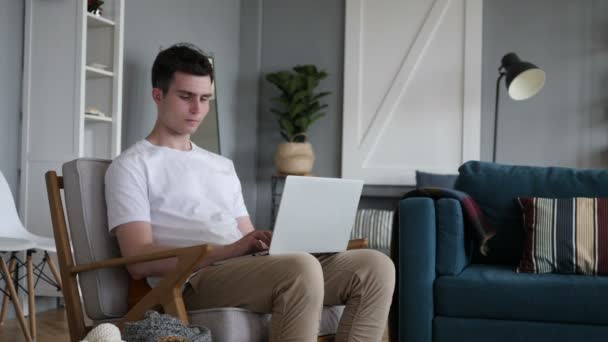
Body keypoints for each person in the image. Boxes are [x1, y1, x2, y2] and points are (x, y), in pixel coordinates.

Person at [105, 43, 395, 342]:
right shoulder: (132, 165)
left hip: (245, 269)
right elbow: (138, 260)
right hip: (193, 280)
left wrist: (271, 242)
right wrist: (231, 250)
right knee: (299, 269)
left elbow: (246, 234)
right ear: (158, 95)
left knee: (375, 267)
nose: (198, 109)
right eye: (186, 97)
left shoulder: (220, 165)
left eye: (205, 99)